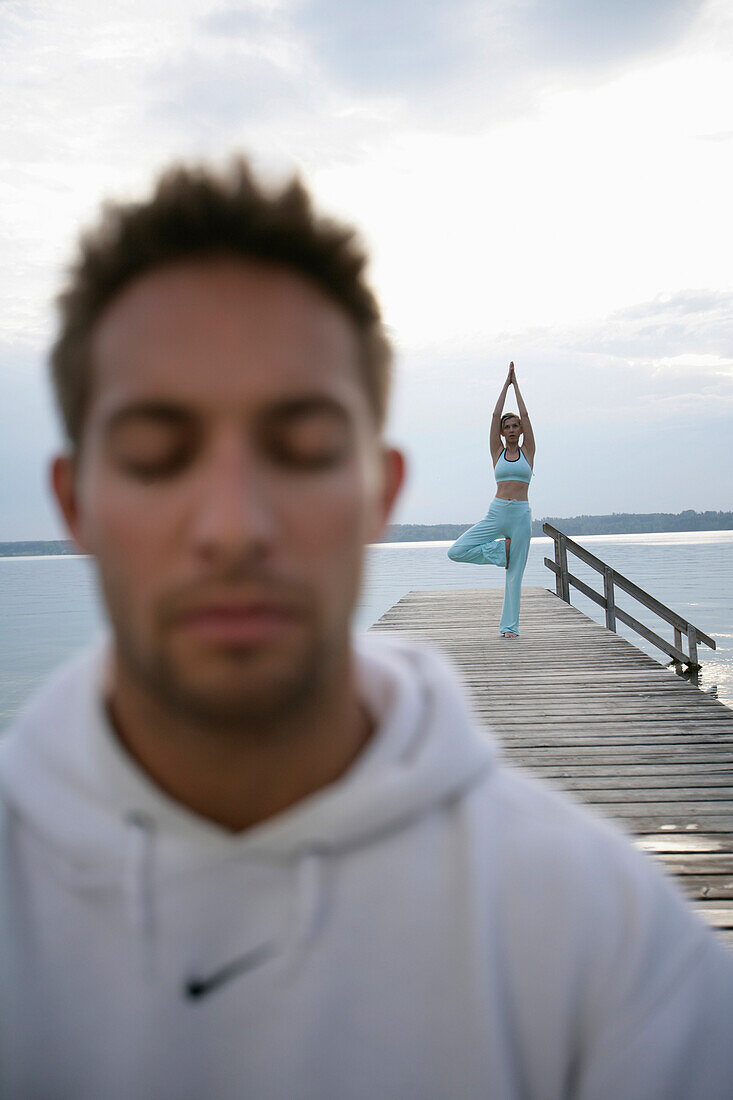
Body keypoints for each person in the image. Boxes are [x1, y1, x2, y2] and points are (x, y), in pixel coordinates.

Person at [1, 159, 732, 1100]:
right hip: (502, 524)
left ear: (378, 493)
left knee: (511, 573)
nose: (233, 525)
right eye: (156, 451)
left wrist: (514, 394)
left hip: (514, 535)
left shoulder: (613, 947)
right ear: (74, 504)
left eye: (301, 446)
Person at [447, 362, 534, 638]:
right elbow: (495, 413)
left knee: (515, 575)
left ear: (520, 431)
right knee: (456, 550)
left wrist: (517, 386)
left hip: (520, 515)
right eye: (506, 426)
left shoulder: (528, 451)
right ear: (501, 431)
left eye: (514, 426)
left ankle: (510, 628)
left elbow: (526, 415)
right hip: (497, 513)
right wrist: (504, 384)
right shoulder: (496, 451)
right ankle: (500, 552)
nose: (511, 429)